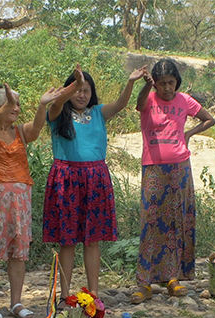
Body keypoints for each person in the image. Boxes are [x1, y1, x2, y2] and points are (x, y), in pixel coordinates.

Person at [44, 64, 147, 300]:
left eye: (86, 90)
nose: (81, 95)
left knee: (92, 241)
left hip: (95, 179)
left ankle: (93, 293)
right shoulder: (58, 114)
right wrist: (70, 88)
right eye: (77, 90)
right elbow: (58, 103)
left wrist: (130, 81)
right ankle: (65, 295)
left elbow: (121, 104)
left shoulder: (99, 113)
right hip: (66, 179)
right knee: (68, 241)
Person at [0, 83, 61, 318]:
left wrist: (42, 104)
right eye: (11, 104)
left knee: (18, 249)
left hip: (20, 198)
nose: (16, 109)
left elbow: (36, 128)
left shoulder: (21, 131)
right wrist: (9, 105)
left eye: (18, 105)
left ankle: (16, 302)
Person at [132, 59, 215, 304]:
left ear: (177, 82)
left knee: (177, 221)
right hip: (154, 168)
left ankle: (173, 278)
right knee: (151, 221)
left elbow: (209, 119)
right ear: (155, 84)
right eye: (162, 84)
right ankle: (144, 282)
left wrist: (188, 134)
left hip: (180, 167)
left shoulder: (185, 101)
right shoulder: (150, 99)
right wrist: (146, 86)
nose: (167, 88)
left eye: (171, 83)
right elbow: (138, 104)